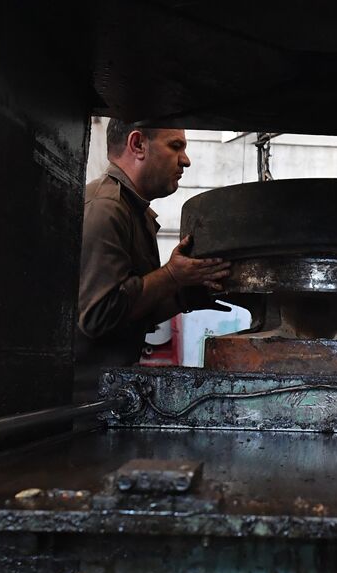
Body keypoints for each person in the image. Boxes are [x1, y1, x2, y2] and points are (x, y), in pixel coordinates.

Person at [75, 121, 230, 398]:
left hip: (108, 392)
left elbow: (129, 316)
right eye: (175, 146)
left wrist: (186, 294)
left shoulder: (136, 213)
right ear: (138, 145)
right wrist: (171, 275)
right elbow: (98, 317)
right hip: (85, 400)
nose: (186, 160)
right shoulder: (106, 209)